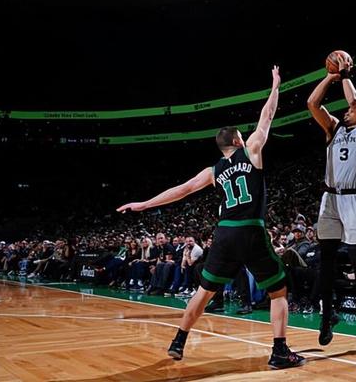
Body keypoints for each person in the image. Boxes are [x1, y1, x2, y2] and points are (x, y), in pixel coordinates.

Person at [116, 66, 305, 369]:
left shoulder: (213, 171)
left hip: (224, 234)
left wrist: (144, 204)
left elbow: (182, 190)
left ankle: (179, 340)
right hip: (250, 230)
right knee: (278, 289)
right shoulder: (252, 150)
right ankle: (280, 351)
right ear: (239, 141)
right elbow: (267, 115)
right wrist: (275, 86)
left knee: (204, 292)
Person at [307, 52, 356, 352]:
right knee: (325, 262)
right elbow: (312, 104)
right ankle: (327, 317)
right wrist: (330, 76)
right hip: (330, 199)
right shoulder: (333, 128)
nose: (347, 111)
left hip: (355, 199)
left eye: (351, 110)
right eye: (347, 110)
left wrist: (346, 75)